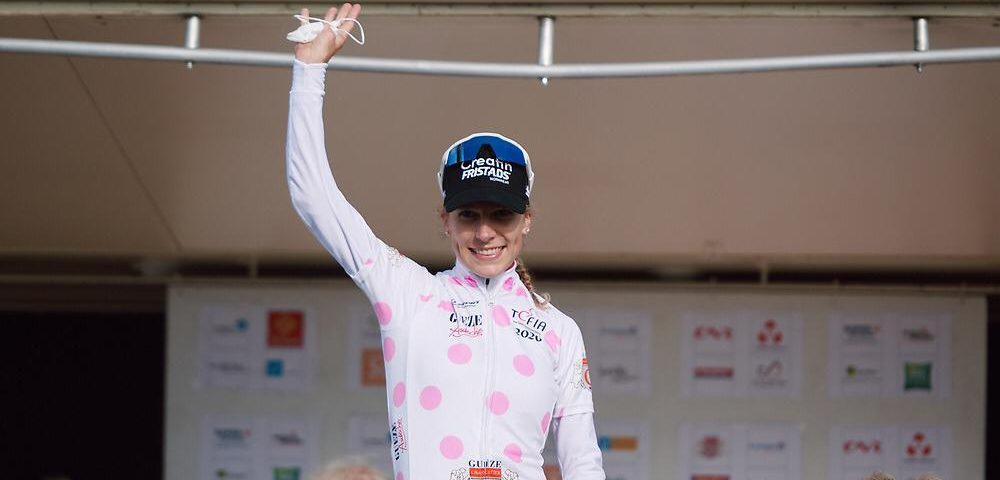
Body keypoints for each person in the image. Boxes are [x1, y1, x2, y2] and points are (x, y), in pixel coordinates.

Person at [286, 4, 605, 480]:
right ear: (446, 222)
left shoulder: (558, 331)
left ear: (527, 221)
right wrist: (309, 72)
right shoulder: (410, 294)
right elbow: (313, 197)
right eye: (468, 215)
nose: (484, 232)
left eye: (502, 215)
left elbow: (582, 462)